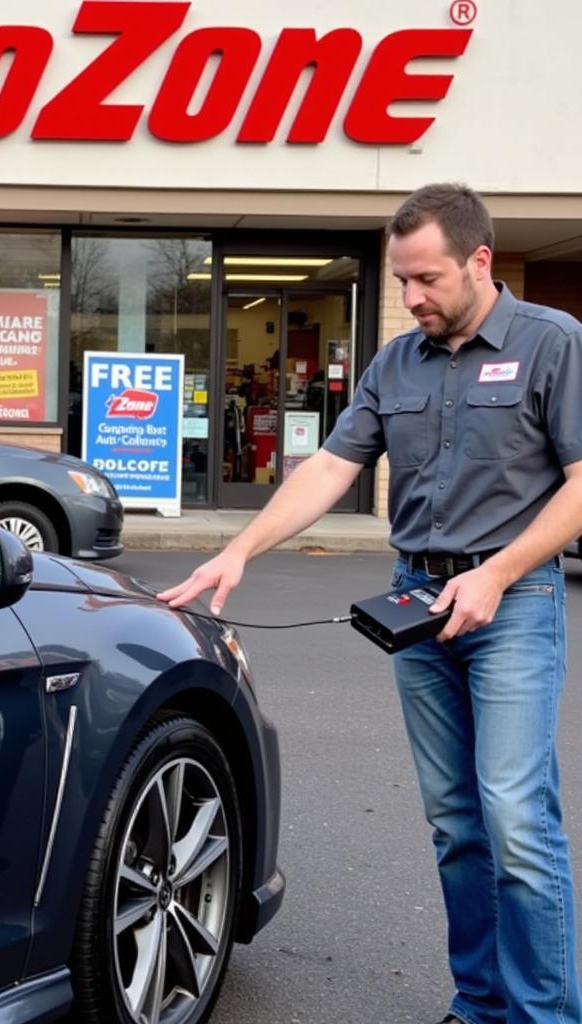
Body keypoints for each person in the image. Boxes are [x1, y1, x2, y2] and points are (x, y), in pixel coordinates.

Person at [158, 182, 582, 1024]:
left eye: (427, 280)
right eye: (403, 282)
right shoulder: (396, 362)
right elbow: (330, 468)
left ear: (480, 261)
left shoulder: (553, 343)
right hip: (417, 603)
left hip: (513, 603)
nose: (412, 298)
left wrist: (496, 572)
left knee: (516, 819)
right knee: (457, 821)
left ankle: (546, 1014)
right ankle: (481, 1003)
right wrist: (240, 548)